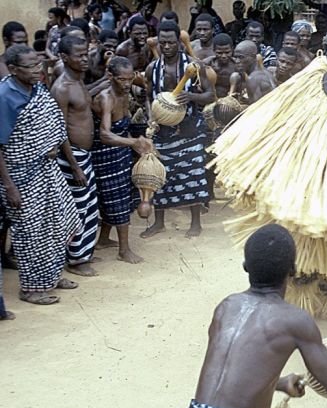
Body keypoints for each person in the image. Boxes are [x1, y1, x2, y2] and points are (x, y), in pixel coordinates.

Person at [178, 223, 327, 408]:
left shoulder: (226, 307)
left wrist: (279, 383)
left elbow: (228, 374)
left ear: (245, 267)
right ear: (293, 270)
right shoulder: (295, 320)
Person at [0, 45, 80, 305]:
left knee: (58, 223)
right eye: (31, 66)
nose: (38, 70)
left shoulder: (36, 88)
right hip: (19, 175)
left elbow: (56, 125)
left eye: (39, 64)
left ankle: (52, 276)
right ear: (13, 70)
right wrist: (9, 186)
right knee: (31, 234)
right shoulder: (5, 96)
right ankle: (32, 288)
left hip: (47, 170)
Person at [141, 21, 214, 239]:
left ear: (180, 42)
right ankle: (159, 222)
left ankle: (195, 223)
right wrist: (151, 115)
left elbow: (210, 95)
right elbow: (146, 97)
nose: (167, 46)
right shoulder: (152, 69)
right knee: (160, 177)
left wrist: (191, 96)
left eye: (171, 42)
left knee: (192, 175)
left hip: (189, 129)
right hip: (162, 131)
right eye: (162, 42)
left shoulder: (194, 66)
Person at [91, 56, 152, 263]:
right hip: (105, 154)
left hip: (120, 152)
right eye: (122, 80)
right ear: (110, 77)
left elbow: (125, 123)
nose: (127, 84)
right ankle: (124, 250)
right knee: (117, 200)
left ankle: (104, 239)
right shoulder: (106, 97)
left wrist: (144, 134)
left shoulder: (125, 92)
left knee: (119, 197)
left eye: (129, 78)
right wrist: (134, 142)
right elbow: (105, 135)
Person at [51, 35, 100, 277]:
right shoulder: (62, 88)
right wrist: (75, 167)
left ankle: (83, 252)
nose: (85, 59)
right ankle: (76, 259)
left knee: (89, 205)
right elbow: (59, 132)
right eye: (79, 55)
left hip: (84, 155)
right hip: (73, 158)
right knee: (79, 208)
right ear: (64, 58)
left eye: (86, 54)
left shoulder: (79, 81)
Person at [204, 33, 235, 99]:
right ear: (214, 51)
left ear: (232, 49)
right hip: (211, 101)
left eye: (227, 52)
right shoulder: (208, 64)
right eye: (219, 53)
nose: (224, 56)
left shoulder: (237, 65)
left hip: (232, 101)